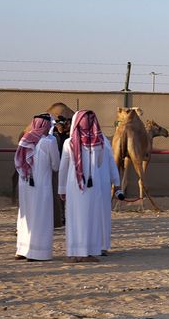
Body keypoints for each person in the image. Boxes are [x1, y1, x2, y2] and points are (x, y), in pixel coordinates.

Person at [58, 110, 118, 263]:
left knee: (74, 217)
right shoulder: (99, 143)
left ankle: (74, 252)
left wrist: (61, 189)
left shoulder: (68, 143)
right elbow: (98, 163)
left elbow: (63, 168)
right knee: (90, 217)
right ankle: (88, 251)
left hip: (74, 185)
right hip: (93, 184)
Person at [15, 114, 59, 261]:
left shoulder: (25, 139)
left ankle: (22, 249)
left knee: (26, 215)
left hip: (25, 183)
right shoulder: (49, 141)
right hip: (41, 185)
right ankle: (36, 252)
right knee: (40, 216)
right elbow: (56, 165)